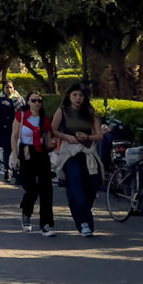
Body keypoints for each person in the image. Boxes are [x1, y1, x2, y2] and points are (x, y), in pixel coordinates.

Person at [51, 85, 100, 236]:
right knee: (76, 185)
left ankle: (81, 211)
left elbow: (99, 135)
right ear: (69, 96)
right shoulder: (63, 111)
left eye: (81, 95)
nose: (78, 98)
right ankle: (84, 223)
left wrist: (88, 137)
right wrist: (67, 137)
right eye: (75, 95)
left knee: (91, 186)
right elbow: (53, 129)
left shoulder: (90, 112)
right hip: (69, 153)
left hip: (87, 152)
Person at [13, 89, 54, 233]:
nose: (37, 103)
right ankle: (26, 212)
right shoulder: (22, 116)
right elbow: (14, 135)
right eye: (34, 100)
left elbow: (48, 139)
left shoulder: (44, 119)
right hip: (26, 151)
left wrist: (52, 147)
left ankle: (46, 224)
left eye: (39, 101)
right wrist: (14, 155)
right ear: (28, 102)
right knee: (31, 187)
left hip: (41, 152)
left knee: (46, 188)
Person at [0, 78, 19, 183]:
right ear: (3, 89)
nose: (9, 90)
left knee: (16, 150)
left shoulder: (18, 99)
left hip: (16, 129)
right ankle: (6, 170)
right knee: (7, 151)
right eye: (7, 87)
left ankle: (16, 171)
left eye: (11, 87)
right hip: (4, 130)